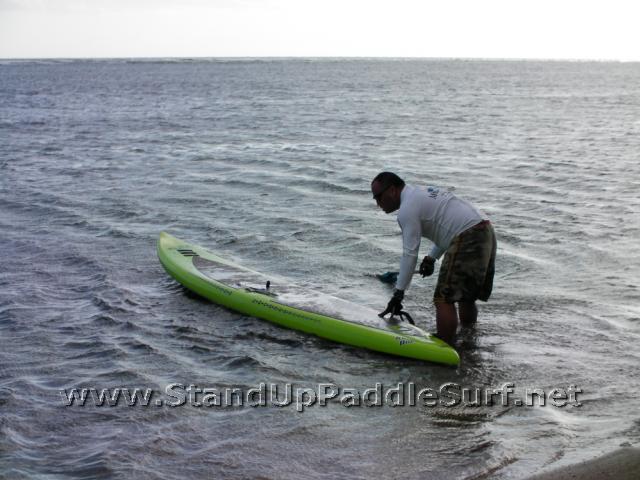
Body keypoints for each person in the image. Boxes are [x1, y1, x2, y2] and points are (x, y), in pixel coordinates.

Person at [371, 172, 496, 344]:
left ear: (392, 190)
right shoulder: (419, 194)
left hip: (469, 235)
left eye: (378, 197)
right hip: (485, 230)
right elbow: (448, 228)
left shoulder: (407, 209)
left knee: (444, 298)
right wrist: (431, 258)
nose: (377, 203)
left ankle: (445, 346)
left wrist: (398, 293)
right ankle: (468, 342)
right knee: (466, 296)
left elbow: (409, 254)